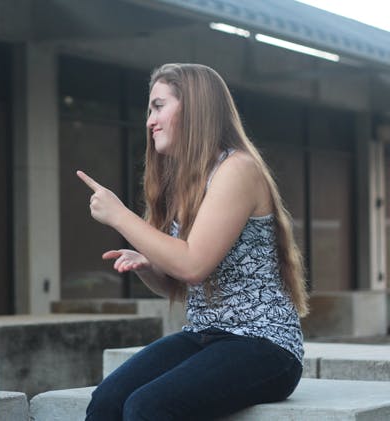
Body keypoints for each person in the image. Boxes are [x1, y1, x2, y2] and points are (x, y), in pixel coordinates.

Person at [77, 63, 308, 420]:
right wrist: (150, 267)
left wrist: (120, 215)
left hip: (265, 344)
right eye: (148, 110)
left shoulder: (238, 169)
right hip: (204, 335)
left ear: (195, 108)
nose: (149, 120)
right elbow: (185, 283)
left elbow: (192, 265)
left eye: (158, 106)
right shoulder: (183, 181)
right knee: (106, 401)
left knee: (148, 407)